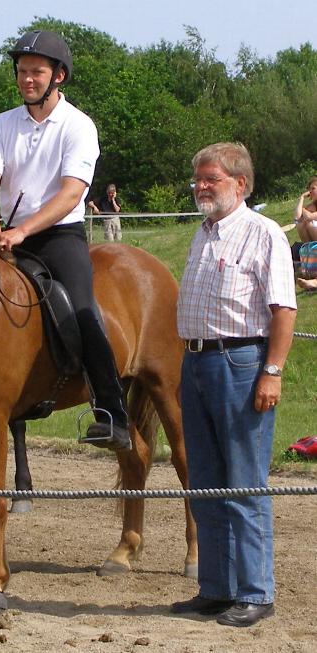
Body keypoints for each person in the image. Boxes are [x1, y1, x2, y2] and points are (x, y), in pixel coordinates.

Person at [0, 30, 130, 451]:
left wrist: (23, 230)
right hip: (6, 233)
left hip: (59, 233)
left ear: (58, 76)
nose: (27, 79)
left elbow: (70, 193)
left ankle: (111, 411)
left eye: (36, 72)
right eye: (22, 72)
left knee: (84, 309)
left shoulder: (79, 126)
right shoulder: (1, 124)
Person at [171, 142, 297, 627]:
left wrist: (272, 371)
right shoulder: (202, 234)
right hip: (197, 362)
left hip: (242, 363)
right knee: (205, 482)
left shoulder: (263, 234)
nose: (202, 187)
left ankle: (255, 591)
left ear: (240, 184)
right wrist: (188, 370)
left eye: (211, 179)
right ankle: (216, 588)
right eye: (198, 179)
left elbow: (284, 310)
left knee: (244, 482)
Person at [293, 177, 317, 243]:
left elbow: (309, 216)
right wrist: (302, 198)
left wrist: (302, 209)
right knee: (300, 224)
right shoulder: (313, 205)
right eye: (309, 189)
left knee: (310, 223)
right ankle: (310, 250)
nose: (310, 192)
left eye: (313, 188)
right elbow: (297, 219)